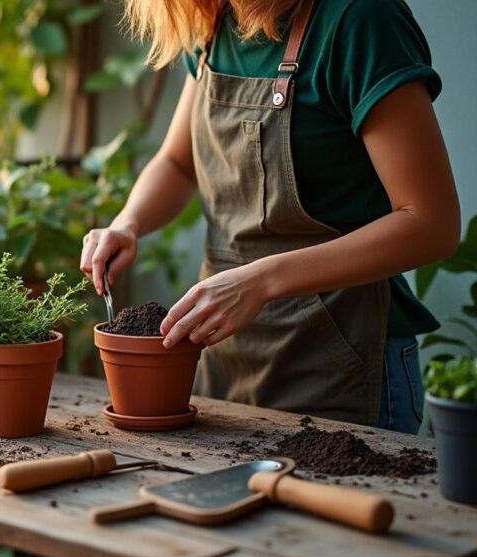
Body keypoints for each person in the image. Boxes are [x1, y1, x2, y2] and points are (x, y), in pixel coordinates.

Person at [80, 0, 460, 433]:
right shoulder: (217, 19)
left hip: (341, 366)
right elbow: (177, 162)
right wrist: (128, 223)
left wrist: (260, 281)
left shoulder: (361, 20)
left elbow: (431, 224)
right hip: (228, 365)